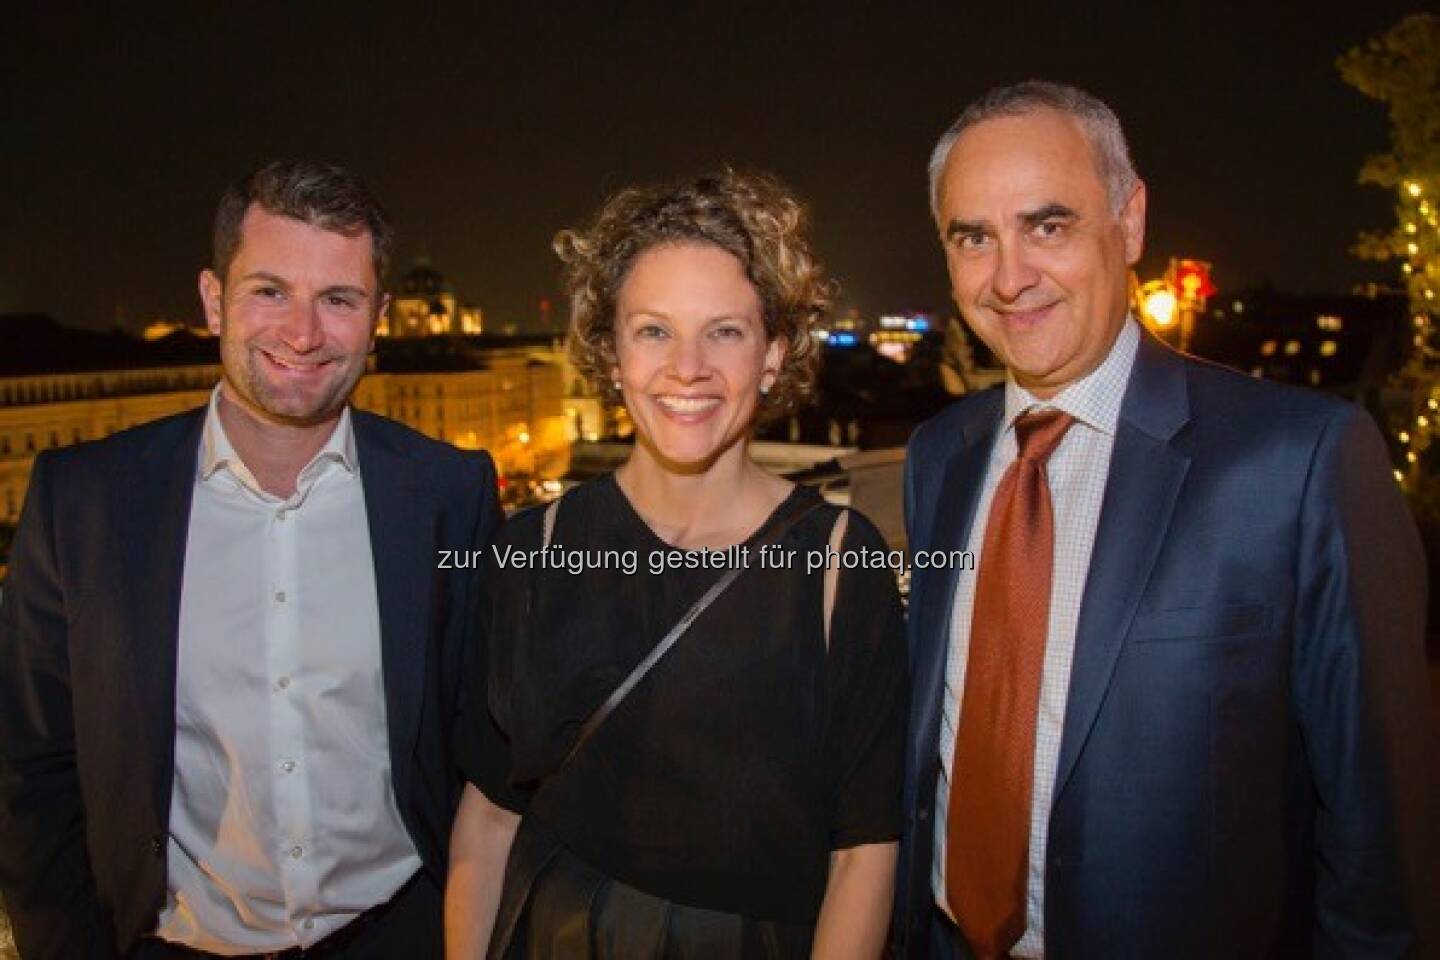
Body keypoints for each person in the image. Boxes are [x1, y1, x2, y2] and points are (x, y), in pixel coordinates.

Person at [895, 81, 1439, 958]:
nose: (1008, 277)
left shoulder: (1299, 463)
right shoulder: (939, 457)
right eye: (973, 238)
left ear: (1131, 220)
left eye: (1048, 225)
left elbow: (1384, 847)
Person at [0, 159, 500, 958]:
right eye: (270, 290)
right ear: (211, 299)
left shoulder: (450, 491)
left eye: (337, 299)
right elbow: (31, 769)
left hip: (400, 936)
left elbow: (479, 743)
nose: (303, 333)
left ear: (379, 316)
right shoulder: (83, 501)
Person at [445, 170, 907, 959]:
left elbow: (865, 853)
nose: (687, 368)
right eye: (653, 330)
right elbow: (488, 819)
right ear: (611, 353)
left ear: (774, 354)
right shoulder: (531, 551)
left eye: (724, 331)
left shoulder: (838, 563)